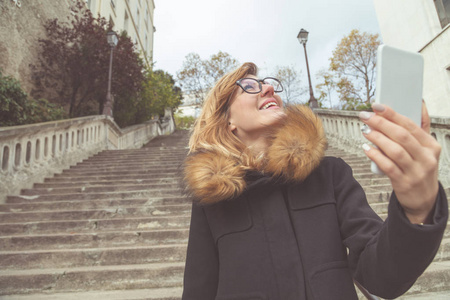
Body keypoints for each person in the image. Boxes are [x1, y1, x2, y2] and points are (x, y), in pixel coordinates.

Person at [181, 62, 448, 300]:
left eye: (270, 85)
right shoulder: (211, 198)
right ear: (228, 120)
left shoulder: (329, 174)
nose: (268, 90)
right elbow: (198, 291)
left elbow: (381, 278)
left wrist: (415, 211)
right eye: (250, 86)